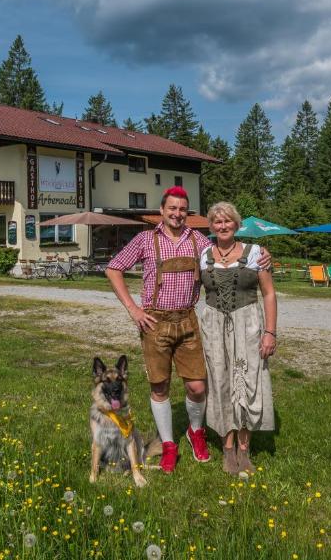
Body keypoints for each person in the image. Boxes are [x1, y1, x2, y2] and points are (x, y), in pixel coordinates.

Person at [106, 187, 271, 473]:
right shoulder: (146, 239)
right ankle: (169, 444)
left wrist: (262, 254)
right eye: (172, 208)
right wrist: (134, 310)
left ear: (187, 212)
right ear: (162, 210)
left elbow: (228, 250)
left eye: (182, 209)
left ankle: (195, 432)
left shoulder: (198, 241)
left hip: (189, 320)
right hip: (155, 322)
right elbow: (113, 268)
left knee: (197, 386)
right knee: (159, 386)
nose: (177, 214)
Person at [198, 201, 277, 476]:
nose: (222, 226)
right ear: (211, 226)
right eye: (217, 222)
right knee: (220, 383)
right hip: (213, 325)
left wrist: (270, 332)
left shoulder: (255, 253)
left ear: (236, 224)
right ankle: (227, 449)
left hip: (248, 323)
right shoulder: (203, 254)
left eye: (227, 221)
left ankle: (245, 451)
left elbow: (268, 293)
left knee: (246, 382)